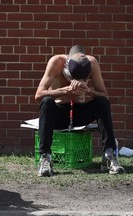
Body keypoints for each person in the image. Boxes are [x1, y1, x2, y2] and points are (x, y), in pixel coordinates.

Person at [34, 45, 125, 177]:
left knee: (102, 102)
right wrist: (65, 90)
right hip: (59, 113)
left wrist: (88, 90)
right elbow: (38, 95)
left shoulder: (92, 63)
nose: (77, 81)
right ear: (66, 66)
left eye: (83, 78)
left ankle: (109, 154)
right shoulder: (56, 62)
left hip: (80, 114)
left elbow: (104, 95)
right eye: (73, 77)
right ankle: (45, 157)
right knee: (47, 101)